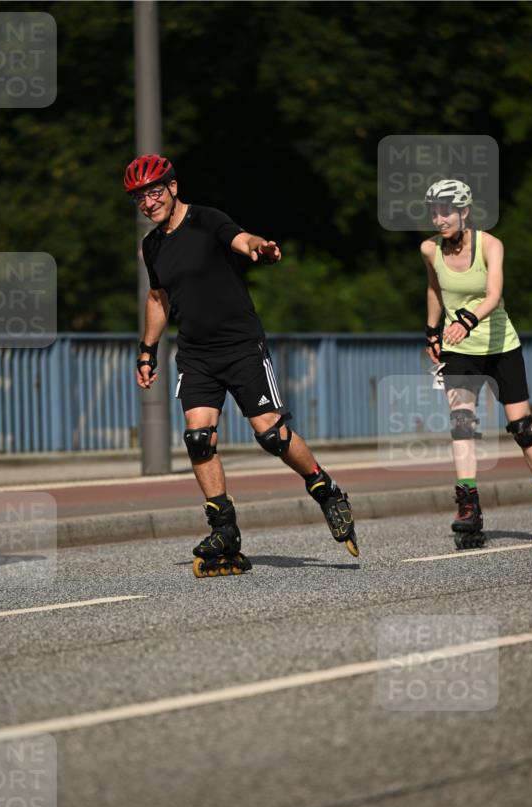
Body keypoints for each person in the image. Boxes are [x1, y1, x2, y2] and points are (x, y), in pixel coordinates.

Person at [126, 153, 358, 576]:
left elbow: (241, 239)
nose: (147, 202)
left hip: (240, 345)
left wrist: (260, 247)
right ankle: (224, 529)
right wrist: (147, 350)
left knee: (270, 434)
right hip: (196, 354)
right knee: (198, 438)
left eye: (154, 191)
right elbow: (159, 299)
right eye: (139, 198)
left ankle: (324, 488)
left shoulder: (206, 219)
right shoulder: (152, 246)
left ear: (173, 187)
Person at [421, 178, 532, 548]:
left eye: (446, 212)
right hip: (459, 348)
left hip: (500, 345)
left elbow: (494, 294)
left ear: (464, 212)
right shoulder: (429, 250)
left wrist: (465, 321)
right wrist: (431, 332)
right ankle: (468, 507)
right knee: (462, 423)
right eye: (434, 212)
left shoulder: (490, 245)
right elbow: (434, 289)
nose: (439, 219)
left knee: (522, 428)